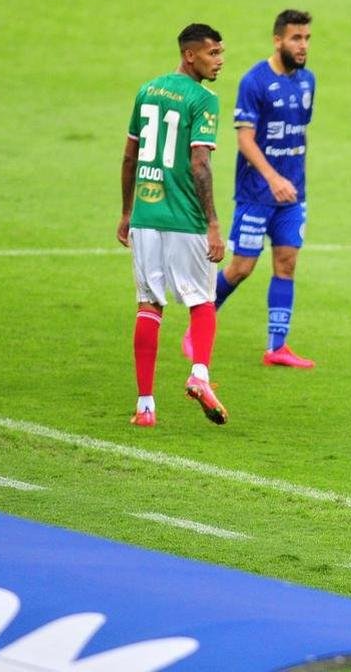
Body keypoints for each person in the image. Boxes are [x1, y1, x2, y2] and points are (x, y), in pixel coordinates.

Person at [186, 10, 317, 368]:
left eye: (306, 38)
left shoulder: (307, 81)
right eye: (295, 38)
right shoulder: (254, 81)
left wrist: (289, 181)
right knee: (242, 266)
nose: (302, 45)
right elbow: (244, 139)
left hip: (292, 194)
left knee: (286, 263)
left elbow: (297, 132)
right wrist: (273, 178)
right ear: (278, 40)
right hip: (257, 192)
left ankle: (277, 347)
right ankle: (198, 324)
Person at [117, 23, 229, 427]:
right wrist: (213, 223)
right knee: (202, 300)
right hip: (185, 218)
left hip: (146, 217)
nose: (219, 60)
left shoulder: (147, 91)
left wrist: (127, 212)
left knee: (149, 305)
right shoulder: (203, 99)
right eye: (213, 53)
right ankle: (199, 374)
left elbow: (129, 156)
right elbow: (200, 162)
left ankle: (145, 406)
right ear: (190, 55)